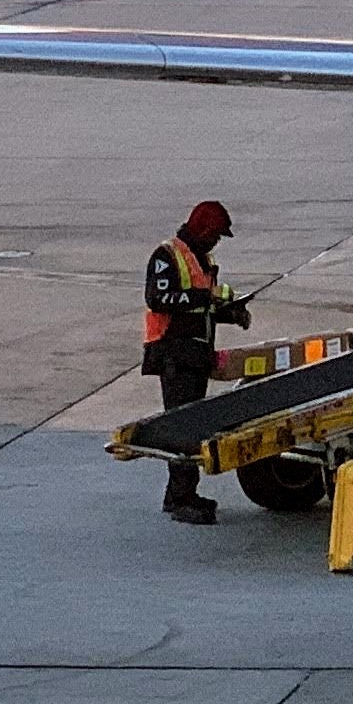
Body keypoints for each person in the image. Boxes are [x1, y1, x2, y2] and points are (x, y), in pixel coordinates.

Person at [143, 201, 250, 523]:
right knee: (183, 428)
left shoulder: (203, 260)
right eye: (215, 235)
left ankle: (181, 493)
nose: (217, 242)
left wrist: (232, 313)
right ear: (202, 230)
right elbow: (158, 298)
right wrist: (208, 299)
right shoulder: (167, 256)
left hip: (195, 355)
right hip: (173, 353)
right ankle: (180, 499)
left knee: (192, 426)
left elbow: (200, 309)